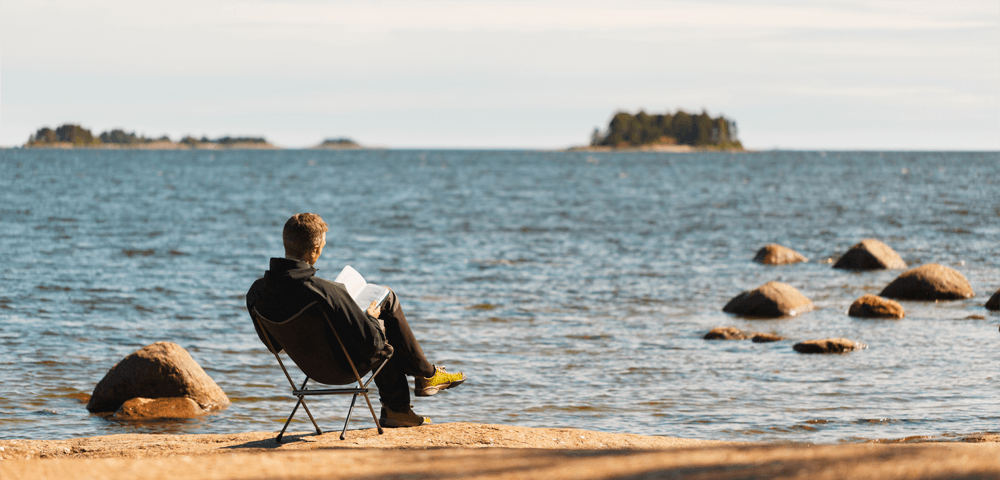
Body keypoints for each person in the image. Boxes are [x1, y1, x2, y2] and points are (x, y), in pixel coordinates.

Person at [246, 213, 465, 427]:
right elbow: (376, 346)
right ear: (315, 250)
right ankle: (414, 389)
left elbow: (273, 346)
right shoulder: (326, 292)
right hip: (345, 369)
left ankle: (418, 384)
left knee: (376, 316)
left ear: (286, 244)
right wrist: (370, 317)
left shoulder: (256, 292)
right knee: (386, 302)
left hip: (311, 369)